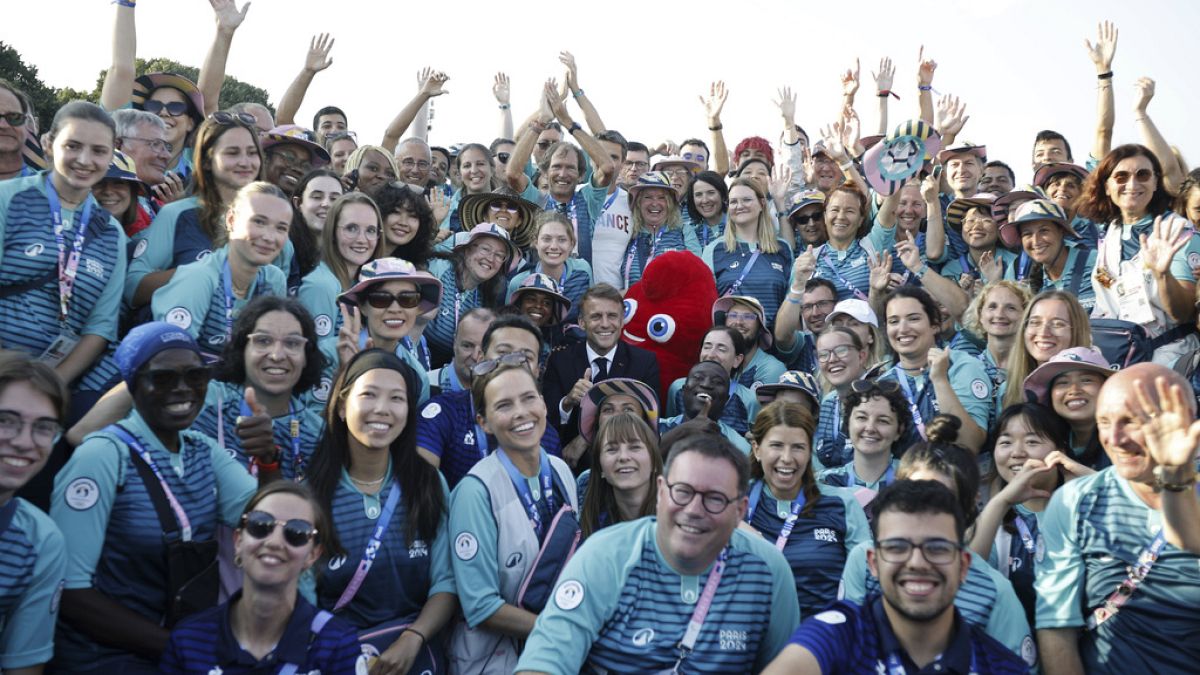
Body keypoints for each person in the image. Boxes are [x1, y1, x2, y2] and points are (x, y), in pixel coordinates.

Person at [50, 323, 258, 672]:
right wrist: (181, 647)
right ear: (132, 385)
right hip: (105, 657)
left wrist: (267, 460)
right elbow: (70, 592)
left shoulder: (202, 449)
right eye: (163, 378)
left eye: (196, 375)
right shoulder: (102, 456)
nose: (182, 389)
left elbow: (266, 521)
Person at [514, 433, 800, 674]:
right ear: (662, 491)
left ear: (740, 510)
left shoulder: (768, 569)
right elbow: (543, 663)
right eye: (682, 492)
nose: (693, 510)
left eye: (714, 498)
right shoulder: (604, 557)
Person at [762, 480, 1028, 675]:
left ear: (963, 566)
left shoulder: (1002, 667)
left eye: (937, 548)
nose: (917, 563)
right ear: (873, 563)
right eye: (897, 547)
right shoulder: (835, 636)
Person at [1036, 364, 1200, 674]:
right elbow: (1057, 627)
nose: (1114, 438)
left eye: (1131, 421)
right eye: (1104, 421)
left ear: (1181, 420)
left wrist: (1175, 478)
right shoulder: (1074, 502)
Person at [839, 416, 1036, 666]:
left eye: (942, 499)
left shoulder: (996, 591)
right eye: (913, 493)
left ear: (969, 505)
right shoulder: (863, 558)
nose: (924, 510)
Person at [306, 349, 457, 673]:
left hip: (415, 658)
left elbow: (445, 583)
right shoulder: (312, 495)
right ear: (343, 405)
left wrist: (413, 637)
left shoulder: (427, 483)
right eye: (369, 395)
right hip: (337, 659)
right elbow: (301, 600)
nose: (382, 409)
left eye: (396, 399)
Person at [448, 353, 580, 673]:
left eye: (528, 398)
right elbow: (481, 607)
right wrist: (564, 632)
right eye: (504, 405)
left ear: (544, 404)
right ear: (484, 422)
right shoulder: (475, 492)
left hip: (553, 654)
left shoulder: (561, 470)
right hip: (493, 660)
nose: (521, 413)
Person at [160, 482, 366, 674]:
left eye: (297, 532)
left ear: (313, 554)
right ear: (238, 540)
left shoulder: (336, 643)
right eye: (260, 524)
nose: (275, 542)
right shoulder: (189, 639)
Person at [0, 101, 126, 405]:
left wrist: (49, 386)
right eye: (72, 145)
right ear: (48, 143)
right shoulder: (9, 199)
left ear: (112, 155)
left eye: (98, 151)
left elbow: (100, 327)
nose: (84, 160)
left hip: (51, 385)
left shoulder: (113, 234)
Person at [125, 113, 281, 311]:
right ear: (207, 161)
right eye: (232, 153)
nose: (245, 162)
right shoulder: (177, 214)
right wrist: (207, 270)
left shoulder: (275, 226)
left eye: (252, 153)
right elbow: (133, 287)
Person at [1078, 144, 1200, 368]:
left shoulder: (1177, 231)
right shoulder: (1109, 233)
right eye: (1121, 176)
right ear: (1107, 186)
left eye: (1143, 175)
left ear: (1156, 183)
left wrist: (1163, 275)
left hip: (1169, 359)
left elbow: (1184, 312)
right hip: (1117, 357)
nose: (1132, 184)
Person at [745, 401, 870, 616]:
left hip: (822, 638)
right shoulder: (735, 502)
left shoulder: (842, 504)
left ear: (810, 450)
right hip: (751, 633)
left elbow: (864, 584)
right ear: (757, 449)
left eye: (798, 447)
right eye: (776, 445)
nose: (787, 458)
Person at [417, 315, 561, 488]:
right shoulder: (443, 413)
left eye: (525, 357)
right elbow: (419, 492)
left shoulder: (548, 436)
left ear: (538, 371)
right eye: (504, 353)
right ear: (481, 358)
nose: (513, 363)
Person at [192, 296, 326, 481]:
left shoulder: (319, 433)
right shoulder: (207, 409)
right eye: (263, 341)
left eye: (292, 343)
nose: (277, 355)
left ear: (306, 356)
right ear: (242, 348)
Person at [153, 182, 290, 359]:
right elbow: (171, 362)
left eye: (281, 228)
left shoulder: (274, 279)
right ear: (231, 220)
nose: (269, 237)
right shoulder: (198, 278)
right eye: (259, 222)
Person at [969, 403, 1069, 627]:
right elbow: (968, 577)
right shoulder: (991, 522)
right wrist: (1003, 502)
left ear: (1060, 451)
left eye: (1032, 442)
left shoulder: (1079, 510)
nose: (1017, 453)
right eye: (1005, 442)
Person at [0, 353, 68, 673]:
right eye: (5, 420)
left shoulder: (41, 541)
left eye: (43, 427)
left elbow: (23, 666)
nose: (24, 442)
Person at [875, 286, 992, 452]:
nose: (902, 328)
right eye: (894, 321)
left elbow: (969, 443)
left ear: (934, 325)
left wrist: (940, 380)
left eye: (913, 319)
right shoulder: (885, 384)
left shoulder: (961, 365)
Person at [542, 283, 660, 446]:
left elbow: (649, 424)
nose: (605, 324)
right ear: (582, 322)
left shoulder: (645, 362)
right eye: (596, 316)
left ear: (622, 320)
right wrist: (567, 402)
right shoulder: (560, 360)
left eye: (612, 316)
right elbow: (547, 421)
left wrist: (584, 439)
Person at [335, 257, 442, 406]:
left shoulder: (417, 376)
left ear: (417, 308)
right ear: (362, 306)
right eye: (381, 299)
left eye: (408, 299)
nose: (395, 309)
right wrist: (344, 374)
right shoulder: (331, 354)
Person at [424, 223, 519, 366]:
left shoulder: (486, 297)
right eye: (485, 249)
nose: (490, 258)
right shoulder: (438, 269)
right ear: (467, 250)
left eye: (499, 255)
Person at [703, 179, 794, 325]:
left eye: (746, 200)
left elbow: (791, 300)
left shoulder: (782, 248)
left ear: (762, 204)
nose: (739, 206)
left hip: (773, 340)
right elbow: (706, 302)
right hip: (731, 340)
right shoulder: (714, 249)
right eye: (733, 202)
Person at [802, 183, 897, 302]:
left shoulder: (872, 246)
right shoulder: (807, 260)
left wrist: (900, 177)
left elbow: (891, 206)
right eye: (835, 210)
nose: (841, 216)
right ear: (825, 216)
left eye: (850, 211)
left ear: (861, 220)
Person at [1023, 346, 1115, 470]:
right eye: (1063, 383)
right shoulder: (1048, 439)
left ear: (1108, 387)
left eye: (1086, 380)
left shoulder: (1124, 437)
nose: (1074, 390)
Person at [1001, 290, 1093, 410]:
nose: (1044, 333)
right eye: (1035, 322)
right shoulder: (1007, 389)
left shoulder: (1091, 390)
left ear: (1077, 331)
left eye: (1058, 324)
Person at [1000, 199, 1097, 311]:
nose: (1036, 241)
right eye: (1027, 234)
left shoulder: (1094, 262)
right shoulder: (1032, 283)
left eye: (1044, 231)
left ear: (1061, 231)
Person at [577, 411, 661, 537]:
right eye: (612, 449)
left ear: (654, 461)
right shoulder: (589, 529)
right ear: (600, 468)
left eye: (635, 447)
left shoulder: (677, 521)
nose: (623, 457)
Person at [665, 326, 759, 437]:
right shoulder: (678, 388)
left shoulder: (749, 400)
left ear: (737, 360)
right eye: (707, 347)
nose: (711, 355)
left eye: (721, 349)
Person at [817, 380, 909, 493]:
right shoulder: (824, 483)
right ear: (848, 423)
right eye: (861, 418)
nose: (870, 428)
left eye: (883, 421)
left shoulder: (913, 480)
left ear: (899, 431)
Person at [508, 212, 593, 323]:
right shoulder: (519, 282)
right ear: (536, 242)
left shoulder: (583, 270)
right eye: (547, 239)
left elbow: (590, 314)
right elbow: (510, 325)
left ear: (572, 244)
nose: (553, 246)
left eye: (562, 240)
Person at [960, 280, 1034, 408]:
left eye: (1011, 308)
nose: (999, 314)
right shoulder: (969, 368)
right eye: (992, 307)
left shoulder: (1034, 369)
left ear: (1026, 317)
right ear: (980, 315)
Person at [621, 172, 701, 288]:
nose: (655, 203)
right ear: (638, 203)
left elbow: (698, 275)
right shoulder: (628, 232)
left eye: (661, 197)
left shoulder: (684, 231)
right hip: (634, 304)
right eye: (648, 197)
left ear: (670, 203)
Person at [659, 360, 751, 454]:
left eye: (717, 382)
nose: (706, 385)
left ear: (726, 399)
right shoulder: (656, 427)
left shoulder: (739, 446)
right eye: (698, 378)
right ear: (684, 390)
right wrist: (685, 429)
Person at [811, 327, 871, 469]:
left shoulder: (878, 398)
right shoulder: (828, 402)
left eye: (841, 350)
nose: (832, 359)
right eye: (823, 355)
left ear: (861, 356)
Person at [713, 296, 787, 391]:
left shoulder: (772, 369)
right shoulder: (716, 360)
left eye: (748, 316)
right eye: (733, 315)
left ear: (760, 328)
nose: (739, 322)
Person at [428, 307, 494, 395]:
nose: (475, 356)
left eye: (484, 348)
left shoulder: (506, 392)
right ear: (455, 342)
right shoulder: (426, 386)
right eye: (467, 346)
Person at [94, 150, 152, 236]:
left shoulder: (147, 236)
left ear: (132, 192)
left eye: (118, 183)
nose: (108, 191)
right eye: (99, 183)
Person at [685, 170, 729, 248]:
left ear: (722, 195)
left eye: (711, 193)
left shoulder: (738, 224)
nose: (705, 200)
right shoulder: (690, 231)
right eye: (698, 195)